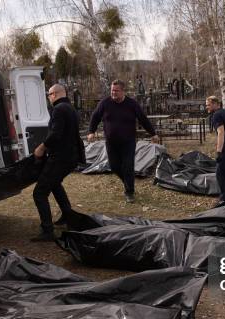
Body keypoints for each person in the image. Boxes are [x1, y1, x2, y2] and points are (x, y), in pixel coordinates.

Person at [87, 79, 156, 203]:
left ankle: (129, 192)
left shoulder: (132, 104)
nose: (113, 93)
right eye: (112, 90)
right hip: (111, 142)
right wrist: (91, 131)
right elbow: (95, 116)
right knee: (114, 166)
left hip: (128, 141)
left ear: (123, 91)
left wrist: (153, 133)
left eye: (116, 91)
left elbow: (143, 119)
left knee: (128, 166)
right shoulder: (105, 103)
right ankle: (128, 181)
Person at [31, 84, 85, 242]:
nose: (49, 98)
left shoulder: (59, 109)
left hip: (61, 157)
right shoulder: (69, 108)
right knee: (54, 184)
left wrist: (41, 147)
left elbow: (56, 134)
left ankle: (47, 230)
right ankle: (68, 216)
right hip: (71, 156)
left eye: (49, 95)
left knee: (39, 193)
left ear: (55, 94)